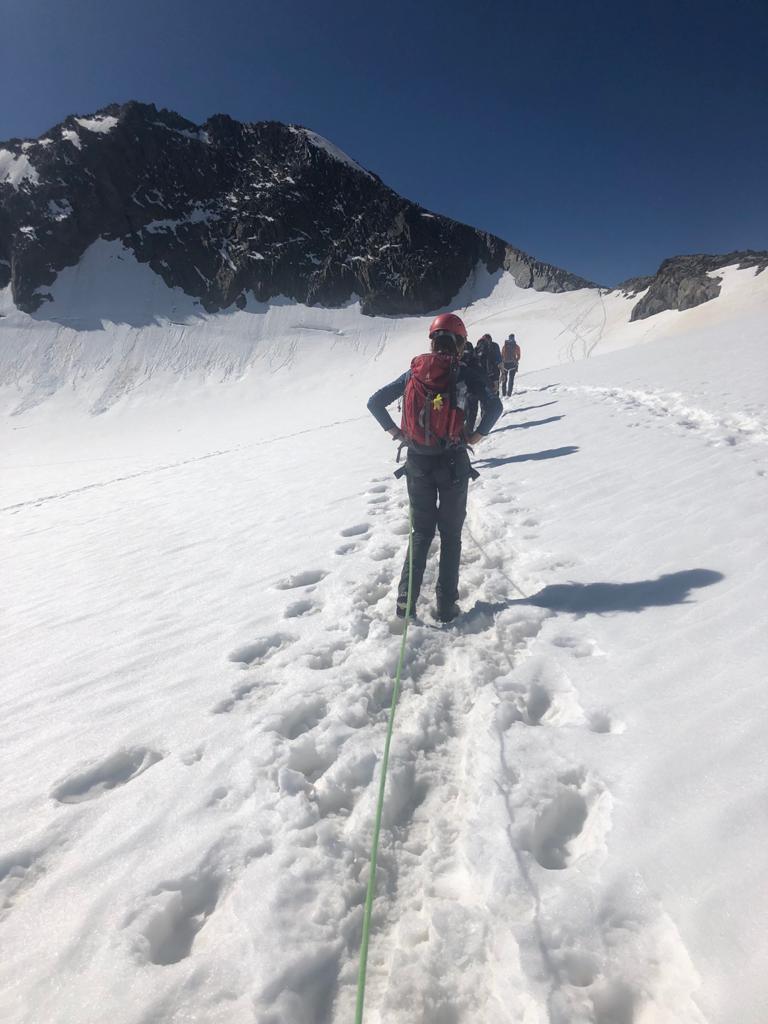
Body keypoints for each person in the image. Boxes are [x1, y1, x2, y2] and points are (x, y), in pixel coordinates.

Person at [367, 313, 502, 623]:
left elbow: (375, 402)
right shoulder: (466, 373)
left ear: (433, 340)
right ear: (460, 343)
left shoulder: (413, 373)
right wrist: (477, 435)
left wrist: (396, 433)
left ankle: (405, 600)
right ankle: (444, 605)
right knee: (451, 534)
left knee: (421, 533)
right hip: (454, 462)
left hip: (417, 462)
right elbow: (495, 406)